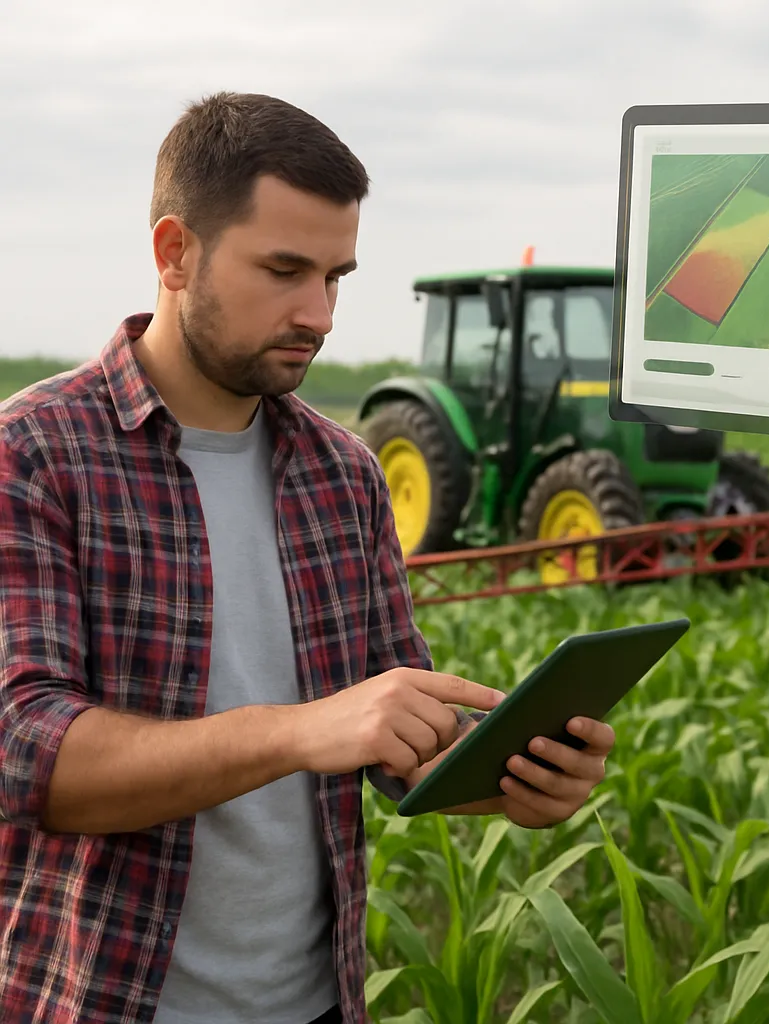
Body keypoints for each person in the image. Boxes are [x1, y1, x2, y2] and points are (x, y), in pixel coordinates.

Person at [0, 92, 615, 1024]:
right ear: (174, 253)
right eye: (284, 270)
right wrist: (300, 729)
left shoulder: (346, 475)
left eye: (337, 276)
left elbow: (381, 740)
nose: (319, 312)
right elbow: (24, 755)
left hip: (316, 1002)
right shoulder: (35, 454)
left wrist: (505, 778)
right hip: (101, 998)